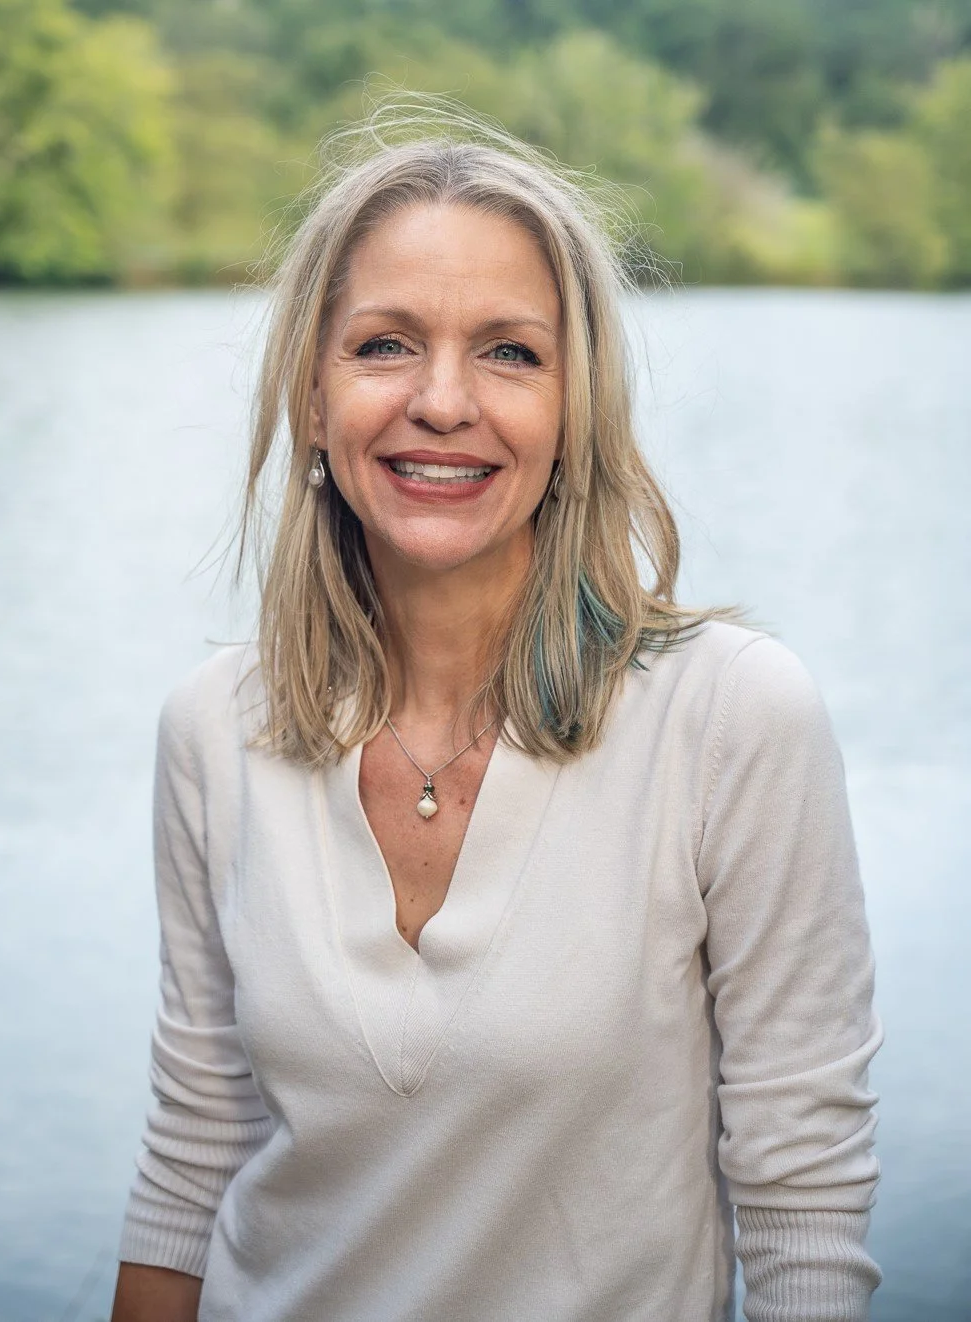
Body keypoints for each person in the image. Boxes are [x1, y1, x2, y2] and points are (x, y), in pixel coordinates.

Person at [110, 106, 882, 1322]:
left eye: (511, 353)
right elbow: (193, 1150)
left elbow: (804, 1202)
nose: (443, 400)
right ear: (313, 396)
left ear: (577, 409)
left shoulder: (733, 718)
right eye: (384, 345)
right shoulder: (213, 727)